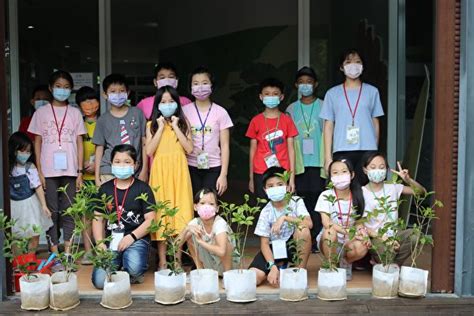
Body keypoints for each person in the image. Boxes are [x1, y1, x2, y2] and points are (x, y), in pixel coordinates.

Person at [27, 70, 86, 272]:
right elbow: (37, 142)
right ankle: (55, 255)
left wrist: (79, 171)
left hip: (70, 170)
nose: (62, 90)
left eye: (66, 87)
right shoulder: (41, 113)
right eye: (58, 86)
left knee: (69, 212)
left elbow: (79, 142)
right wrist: (40, 171)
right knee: (51, 213)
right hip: (49, 171)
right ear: (51, 88)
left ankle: (68, 254)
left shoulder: (75, 112)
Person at [91, 144, 155, 288]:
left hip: (136, 238)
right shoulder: (104, 189)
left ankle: (130, 266)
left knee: (134, 268)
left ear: (135, 164)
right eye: (117, 162)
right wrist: (100, 244)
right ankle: (119, 264)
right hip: (111, 240)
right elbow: (98, 219)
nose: (121, 165)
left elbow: (151, 220)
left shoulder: (143, 188)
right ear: (111, 163)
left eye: (127, 162)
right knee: (100, 281)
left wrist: (131, 237)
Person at [145, 86, 194, 270]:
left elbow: (189, 149)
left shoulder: (183, 123)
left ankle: (178, 259)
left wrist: (174, 126)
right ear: (157, 104)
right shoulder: (151, 125)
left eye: (171, 101)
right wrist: (160, 128)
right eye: (163, 102)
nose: (167, 105)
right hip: (160, 174)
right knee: (162, 215)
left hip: (179, 173)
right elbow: (149, 151)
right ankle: (163, 261)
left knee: (181, 214)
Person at [320, 49, 385, 185]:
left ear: (363, 66)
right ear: (341, 67)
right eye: (348, 62)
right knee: (343, 187)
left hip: (367, 149)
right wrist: (328, 157)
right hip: (341, 149)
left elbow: (375, 122)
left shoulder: (372, 91)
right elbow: (328, 126)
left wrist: (375, 152)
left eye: (357, 62)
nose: (353, 65)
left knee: (367, 189)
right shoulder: (332, 93)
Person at [249, 167, 312, 287]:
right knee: (254, 278)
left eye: (279, 184)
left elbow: (309, 223)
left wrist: (284, 218)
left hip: (293, 247)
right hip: (274, 248)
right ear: (265, 190)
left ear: (287, 187)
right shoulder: (265, 211)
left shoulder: (296, 201)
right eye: (270, 186)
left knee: (302, 229)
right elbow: (264, 244)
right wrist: (271, 267)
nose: (275, 188)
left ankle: (300, 272)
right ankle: (278, 265)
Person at [362, 152, 426, 266]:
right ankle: (385, 260)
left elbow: (421, 192)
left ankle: (390, 263)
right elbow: (360, 224)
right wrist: (383, 238)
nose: (377, 170)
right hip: (376, 237)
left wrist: (408, 179)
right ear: (365, 170)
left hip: (395, 235)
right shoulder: (361, 192)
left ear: (386, 170)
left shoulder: (393, 187)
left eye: (381, 167)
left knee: (416, 235)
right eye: (373, 167)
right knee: (387, 251)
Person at [286, 66, 325, 250]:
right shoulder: (291, 109)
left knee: (318, 201)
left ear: (315, 84)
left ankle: (316, 239)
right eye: (301, 83)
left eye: (309, 82)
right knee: (300, 201)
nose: (305, 86)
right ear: (296, 85)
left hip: (318, 162)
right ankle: (302, 239)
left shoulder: (324, 106)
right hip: (299, 164)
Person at [315, 158, 370, 280]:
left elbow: (360, 221)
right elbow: (326, 223)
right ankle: (332, 265)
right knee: (330, 231)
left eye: (344, 171)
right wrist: (349, 232)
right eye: (335, 173)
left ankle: (345, 262)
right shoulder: (326, 196)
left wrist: (362, 233)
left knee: (363, 245)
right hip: (329, 239)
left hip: (350, 240)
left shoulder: (360, 195)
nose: (340, 176)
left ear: (352, 175)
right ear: (330, 177)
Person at [182, 66, 233, 196]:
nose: (200, 87)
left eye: (204, 83)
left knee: (209, 205)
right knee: (192, 205)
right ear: (190, 87)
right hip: (189, 165)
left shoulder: (221, 112)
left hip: (214, 167)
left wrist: (223, 175)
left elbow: (225, 145)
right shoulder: (184, 111)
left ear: (211, 86)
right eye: (196, 84)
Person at [246, 78, 298, 198]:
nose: (271, 97)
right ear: (261, 97)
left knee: (283, 206)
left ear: (281, 97)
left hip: (283, 171)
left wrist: (292, 178)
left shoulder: (287, 120)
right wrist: (251, 177)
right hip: (260, 171)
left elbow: (291, 150)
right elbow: (252, 150)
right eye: (267, 94)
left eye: (275, 94)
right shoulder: (256, 120)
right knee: (262, 207)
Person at [93, 74, 148, 186]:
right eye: (113, 91)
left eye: (121, 91)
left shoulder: (137, 113)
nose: (117, 94)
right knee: (110, 203)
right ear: (105, 94)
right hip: (108, 170)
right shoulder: (103, 120)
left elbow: (144, 143)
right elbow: (99, 148)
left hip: (133, 170)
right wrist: (97, 175)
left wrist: (144, 170)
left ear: (127, 93)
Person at [8, 132, 52, 253]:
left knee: (34, 232)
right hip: (13, 206)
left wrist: (43, 205)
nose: (25, 154)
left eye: (28, 151)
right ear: (13, 149)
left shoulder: (29, 166)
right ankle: (18, 262)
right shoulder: (7, 167)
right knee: (15, 234)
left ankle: (30, 258)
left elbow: (37, 186)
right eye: (22, 151)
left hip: (30, 204)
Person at [178, 188, 235, 275]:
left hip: (227, 267)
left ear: (217, 208)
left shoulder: (219, 223)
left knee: (225, 243)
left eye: (211, 204)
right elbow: (174, 246)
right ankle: (200, 271)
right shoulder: (195, 222)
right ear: (195, 207)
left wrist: (201, 242)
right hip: (210, 267)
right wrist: (186, 229)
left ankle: (228, 276)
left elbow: (222, 251)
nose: (206, 207)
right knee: (189, 236)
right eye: (202, 203)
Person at [76, 86, 100, 264]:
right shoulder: (78, 124)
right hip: (82, 178)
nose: (89, 104)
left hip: (100, 177)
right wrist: (80, 168)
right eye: (85, 101)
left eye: (92, 99)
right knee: (86, 216)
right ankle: (88, 251)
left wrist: (96, 165)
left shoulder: (104, 122)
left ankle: (102, 248)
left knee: (101, 215)